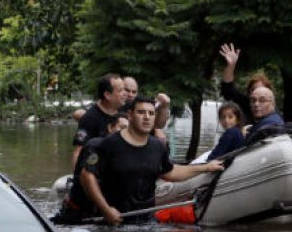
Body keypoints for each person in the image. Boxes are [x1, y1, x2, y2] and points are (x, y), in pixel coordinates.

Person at [80, 96, 225, 225]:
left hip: (146, 222)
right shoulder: (107, 144)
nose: (146, 117)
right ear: (130, 115)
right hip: (113, 221)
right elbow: (87, 176)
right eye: (141, 112)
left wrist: (206, 167)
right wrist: (105, 209)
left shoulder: (157, 146)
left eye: (151, 113)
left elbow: (171, 172)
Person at [53, 114, 129, 224]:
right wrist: (106, 210)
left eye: (128, 129)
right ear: (110, 127)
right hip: (81, 214)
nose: (125, 133)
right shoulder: (96, 146)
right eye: (122, 128)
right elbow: (87, 177)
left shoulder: (128, 151)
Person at [218, 43, 283, 137]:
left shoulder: (274, 121)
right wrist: (231, 65)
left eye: (262, 99)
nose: (256, 104)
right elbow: (227, 89)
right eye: (253, 93)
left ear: (271, 99)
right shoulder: (246, 103)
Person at [72, 73, 127, 167]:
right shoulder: (90, 118)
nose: (125, 93)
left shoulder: (126, 108)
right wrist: (77, 177)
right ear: (107, 95)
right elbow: (78, 152)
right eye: (120, 90)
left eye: (124, 89)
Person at [124, 76, 171, 143]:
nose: (130, 95)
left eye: (134, 92)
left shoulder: (141, 103)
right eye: (127, 90)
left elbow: (159, 125)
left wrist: (164, 106)